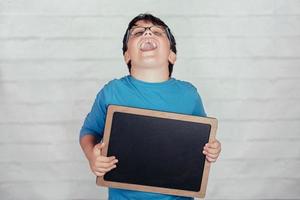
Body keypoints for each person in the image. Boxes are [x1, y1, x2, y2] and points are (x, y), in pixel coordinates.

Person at [79, 13, 221, 200]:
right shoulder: (112, 91)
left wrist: (213, 149)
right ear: (127, 55)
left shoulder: (189, 94)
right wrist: (92, 157)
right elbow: (88, 132)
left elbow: (203, 139)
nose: (147, 34)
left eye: (157, 32)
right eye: (137, 32)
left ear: (172, 55)